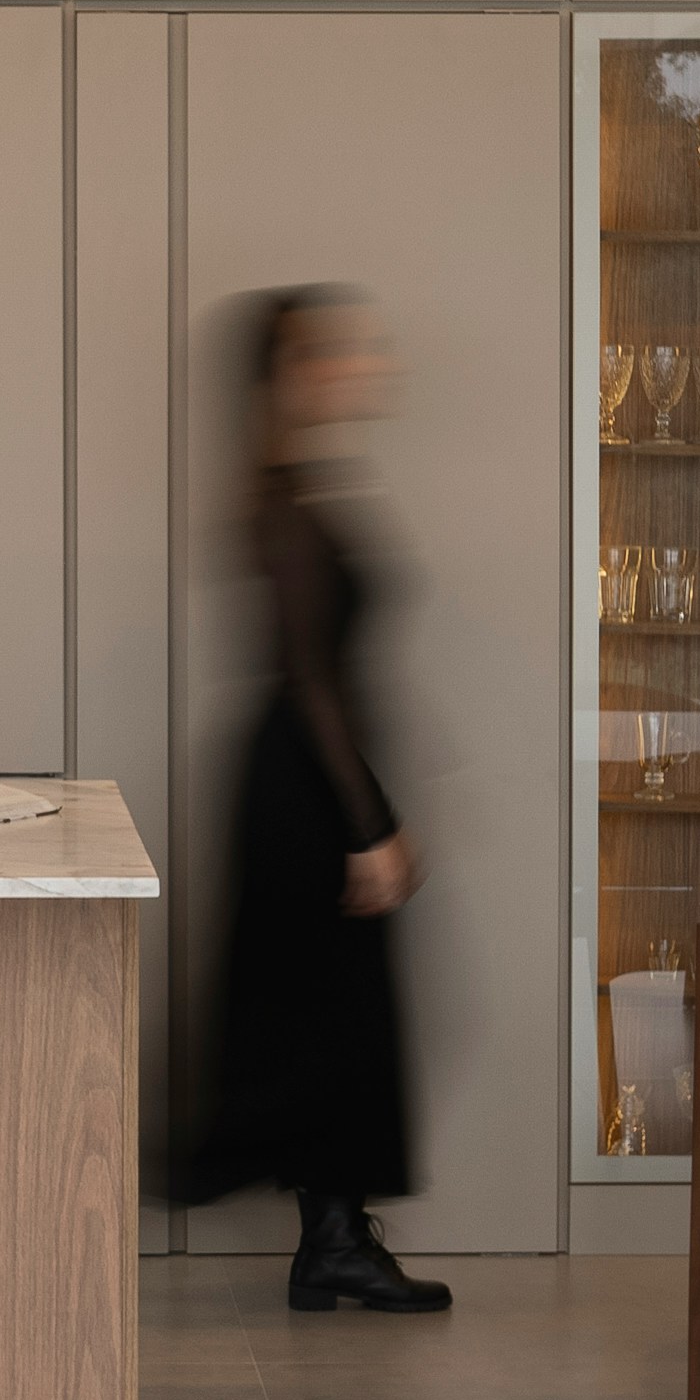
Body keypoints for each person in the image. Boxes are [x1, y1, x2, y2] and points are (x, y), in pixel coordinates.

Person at [176, 284, 446, 1315]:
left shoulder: (290, 488)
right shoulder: (281, 503)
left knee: (330, 1013)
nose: (351, 368)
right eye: (326, 356)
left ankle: (333, 1239)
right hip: (303, 783)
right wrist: (370, 824)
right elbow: (310, 678)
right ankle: (333, 1240)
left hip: (301, 776)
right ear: (283, 376)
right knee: (326, 1013)